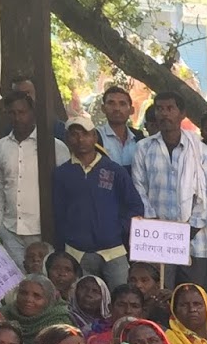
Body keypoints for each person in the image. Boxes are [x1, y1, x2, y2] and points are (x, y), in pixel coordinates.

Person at [130, 92, 207, 289]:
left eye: (170, 109)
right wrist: (158, 231)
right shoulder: (144, 148)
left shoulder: (200, 150)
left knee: (192, 297)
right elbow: (139, 188)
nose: (164, 114)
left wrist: (183, 235)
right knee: (158, 295)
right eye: (160, 109)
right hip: (155, 239)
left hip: (194, 241)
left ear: (182, 113)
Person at [51, 114, 142, 292]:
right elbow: (58, 213)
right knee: (82, 299)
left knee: (122, 296)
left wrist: (118, 229)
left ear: (94, 137)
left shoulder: (114, 170)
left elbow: (135, 206)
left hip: (113, 250)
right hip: (77, 252)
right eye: (74, 134)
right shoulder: (62, 173)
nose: (80, 139)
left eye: (85, 134)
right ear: (67, 139)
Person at [0, 93, 70, 260]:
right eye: (12, 113)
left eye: (22, 112)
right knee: (17, 276)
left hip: (42, 230)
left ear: (32, 112)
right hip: (11, 229)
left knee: (43, 274)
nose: (17, 118)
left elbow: (67, 188)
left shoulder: (54, 146)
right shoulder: (1, 146)